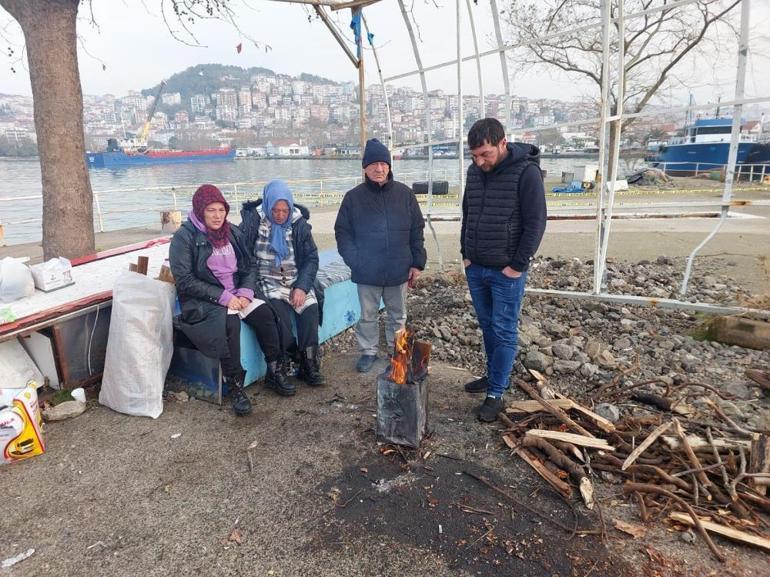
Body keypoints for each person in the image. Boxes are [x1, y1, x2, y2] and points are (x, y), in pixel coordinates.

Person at [169, 184, 287, 415]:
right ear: (200, 210)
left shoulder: (232, 232)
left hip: (237, 294)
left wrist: (245, 292)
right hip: (205, 300)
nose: (217, 215)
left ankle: (274, 369)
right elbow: (184, 280)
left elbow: (249, 265)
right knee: (228, 325)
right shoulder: (184, 237)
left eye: (221, 210)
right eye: (211, 210)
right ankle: (235, 386)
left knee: (265, 315)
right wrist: (223, 297)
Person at [461, 118, 547, 422]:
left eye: (485, 154)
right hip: (476, 266)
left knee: (504, 329)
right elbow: (467, 213)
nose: (479, 161)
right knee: (487, 326)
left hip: (506, 271)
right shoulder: (474, 172)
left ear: (502, 143)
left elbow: (536, 223)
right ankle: (492, 374)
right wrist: (466, 254)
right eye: (474, 155)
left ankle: (496, 392)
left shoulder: (526, 173)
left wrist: (517, 265)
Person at [335, 138, 427, 373]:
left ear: (389, 166)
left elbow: (417, 230)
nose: (379, 168)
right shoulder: (353, 198)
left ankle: (399, 354)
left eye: (383, 163)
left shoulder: (405, 194)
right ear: (365, 168)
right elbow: (342, 232)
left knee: (398, 316)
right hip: (367, 270)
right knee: (367, 316)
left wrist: (417, 263)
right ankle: (368, 351)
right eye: (373, 164)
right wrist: (355, 260)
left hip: (398, 268)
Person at [240, 179, 325, 389]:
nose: (279, 215)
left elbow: (311, 258)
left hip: (295, 279)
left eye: (284, 210)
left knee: (310, 310)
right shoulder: (253, 222)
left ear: (290, 207)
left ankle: (308, 364)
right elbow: (244, 255)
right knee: (279, 316)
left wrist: (302, 287)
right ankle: (289, 360)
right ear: (268, 206)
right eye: (275, 210)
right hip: (267, 279)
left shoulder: (299, 224)